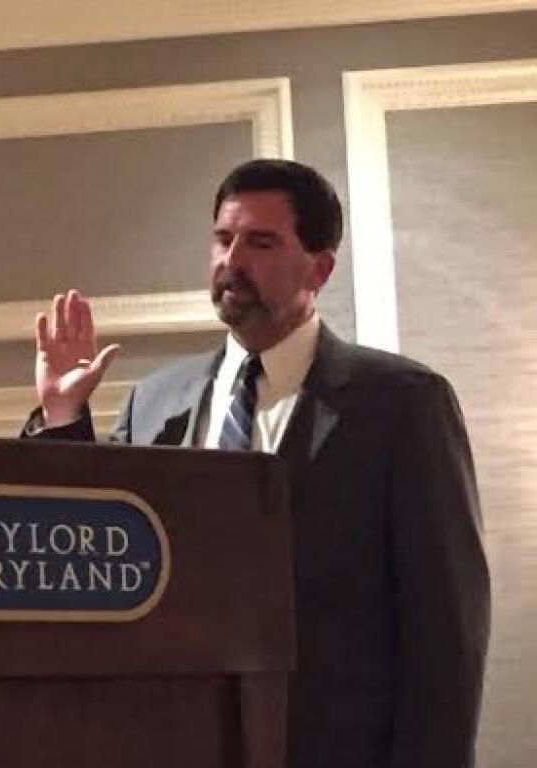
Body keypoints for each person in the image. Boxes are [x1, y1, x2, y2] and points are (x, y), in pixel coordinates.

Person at [25, 159, 490, 767]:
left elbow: (446, 628)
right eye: (223, 239)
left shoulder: (401, 403)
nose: (232, 260)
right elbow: (95, 559)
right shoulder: (155, 402)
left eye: (261, 243)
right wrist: (63, 417)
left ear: (319, 268)